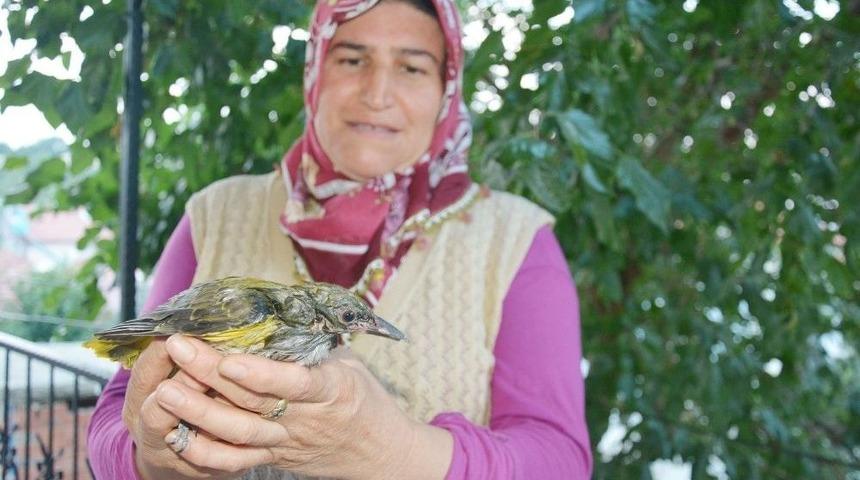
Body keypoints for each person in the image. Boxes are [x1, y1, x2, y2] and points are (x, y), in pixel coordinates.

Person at [86, 0, 593, 478]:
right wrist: (155, 460)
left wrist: (395, 452)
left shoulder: (514, 240)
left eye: (412, 67)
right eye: (352, 59)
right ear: (314, 72)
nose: (377, 93)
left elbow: (561, 461)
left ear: (446, 89)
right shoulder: (217, 214)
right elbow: (114, 418)